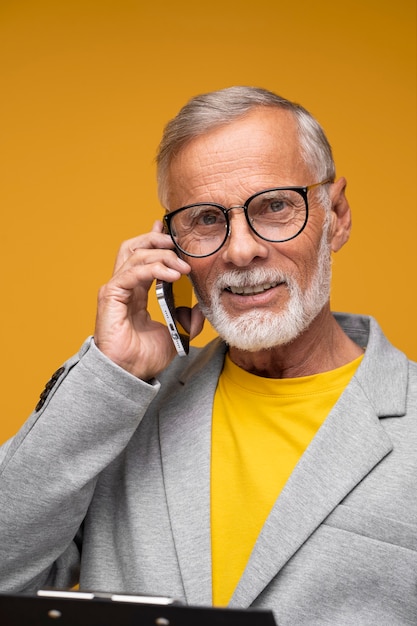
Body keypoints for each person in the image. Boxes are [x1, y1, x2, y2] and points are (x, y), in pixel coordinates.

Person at [0, 86, 416, 626]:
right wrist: (110, 373)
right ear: (170, 245)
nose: (241, 250)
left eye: (274, 207)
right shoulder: (117, 410)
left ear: (334, 215)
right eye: (205, 219)